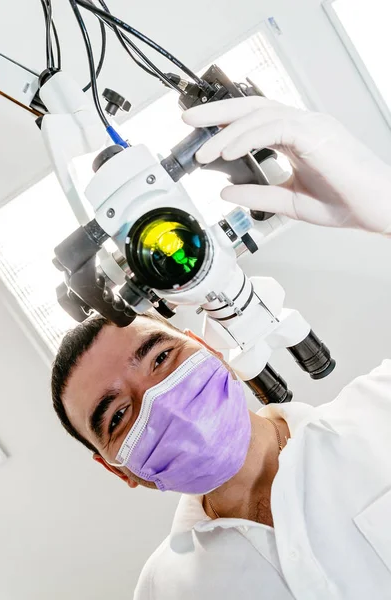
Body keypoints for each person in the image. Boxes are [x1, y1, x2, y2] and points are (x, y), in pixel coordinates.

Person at [51, 97, 391, 600]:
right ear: (114, 467)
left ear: (203, 345)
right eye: (118, 414)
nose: (162, 399)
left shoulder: (380, 412)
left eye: (162, 358)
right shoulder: (164, 590)